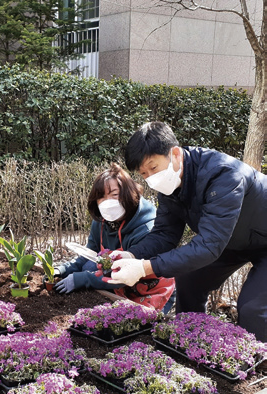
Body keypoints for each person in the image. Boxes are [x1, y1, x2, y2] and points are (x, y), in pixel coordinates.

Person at [107, 121, 267, 342]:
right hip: (232, 240)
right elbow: (164, 234)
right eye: (144, 174)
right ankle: (190, 341)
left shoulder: (223, 175)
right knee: (189, 280)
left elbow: (208, 246)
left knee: (252, 309)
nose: (151, 178)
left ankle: (256, 366)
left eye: (153, 168)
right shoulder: (169, 185)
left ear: (174, 153)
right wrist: (132, 255)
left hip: (255, 239)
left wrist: (145, 267)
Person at [55, 163, 175, 312]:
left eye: (114, 195)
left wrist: (83, 279)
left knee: (137, 326)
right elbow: (89, 254)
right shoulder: (101, 222)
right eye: (101, 197)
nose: (107, 203)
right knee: (89, 266)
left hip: (149, 286)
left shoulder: (146, 228)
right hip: (118, 277)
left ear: (127, 193)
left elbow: (125, 276)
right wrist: (61, 270)